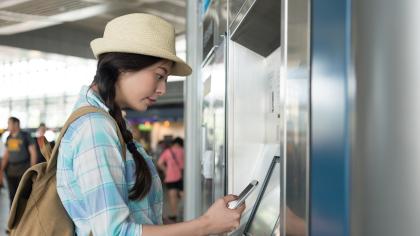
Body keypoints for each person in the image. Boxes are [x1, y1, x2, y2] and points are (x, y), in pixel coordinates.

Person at [56, 13, 245, 236]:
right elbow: (114, 233)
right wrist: (206, 224)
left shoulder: (108, 122)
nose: (163, 89)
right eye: (159, 75)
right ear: (123, 66)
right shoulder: (95, 128)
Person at [0, 117, 37, 207]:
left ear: (16, 124)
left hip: (23, 170)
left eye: (9, 123)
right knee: (12, 196)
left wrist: (32, 169)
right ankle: (13, 218)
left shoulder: (25, 136)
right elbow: (7, 154)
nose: (8, 126)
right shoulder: (9, 138)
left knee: (23, 195)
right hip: (11, 171)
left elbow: (33, 152)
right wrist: (1, 169)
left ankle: (25, 217)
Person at [157, 137, 185, 222]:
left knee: (173, 197)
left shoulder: (168, 151)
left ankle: (175, 214)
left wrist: (166, 170)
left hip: (170, 177)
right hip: (181, 176)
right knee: (183, 195)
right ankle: (187, 211)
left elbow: (159, 163)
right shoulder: (183, 151)